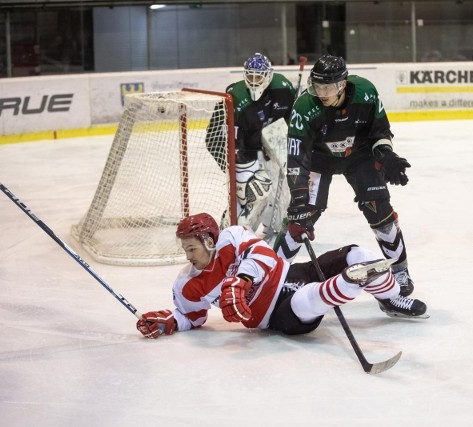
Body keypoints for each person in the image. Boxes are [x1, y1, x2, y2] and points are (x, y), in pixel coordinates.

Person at [135, 212, 427, 339]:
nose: (188, 256)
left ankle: (389, 300)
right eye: (185, 250)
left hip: (293, 273)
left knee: (357, 253)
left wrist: (242, 280)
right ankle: (348, 283)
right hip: (275, 316)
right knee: (305, 302)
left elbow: (265, 255)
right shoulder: (187, 284)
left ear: (209, 241)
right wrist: (170, 322)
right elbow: (193, 316)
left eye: (191, 248)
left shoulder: (231, 237)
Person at [275, 54, 420, 303]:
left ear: (342, 84)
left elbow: (380, 131)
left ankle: (400, 271)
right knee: (301, 218)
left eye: (327, 87)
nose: (321, 92)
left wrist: (386, 154)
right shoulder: (304, 107)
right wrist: (299, 197)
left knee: (380, 211)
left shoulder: (366, 93)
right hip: (319, 160)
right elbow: (297, 157)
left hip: (358, 156)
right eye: (317, 86)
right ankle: (269, 276)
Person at [207, 53, 296, 227]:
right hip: (244, 147)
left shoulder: (284, 89)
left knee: (277, 190)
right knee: (248, 194)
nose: (254, 81)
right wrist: (230, 165)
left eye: (259, 76)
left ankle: (272, 225)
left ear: (268, 76)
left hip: (270, 139)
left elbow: (291, 120)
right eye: (250, 76)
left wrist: (283, 146)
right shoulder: (234, 98)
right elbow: (213, 138)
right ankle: (230, 228)